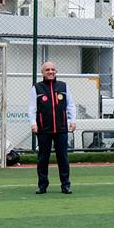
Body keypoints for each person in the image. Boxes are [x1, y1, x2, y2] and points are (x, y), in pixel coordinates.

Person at [30, 60, 75, 194]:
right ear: (42, 72)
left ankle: (65, 185)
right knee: (43, 158)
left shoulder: (63, 86)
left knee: (63, 158)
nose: (50, 72)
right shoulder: (37, 88)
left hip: (61, 128)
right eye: (47, 70)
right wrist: (33, 123)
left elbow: (70, 105)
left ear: (56, 71)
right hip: (44, 129)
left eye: (52, 69)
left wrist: (72, 121)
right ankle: (42, 185)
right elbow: (32, 108)